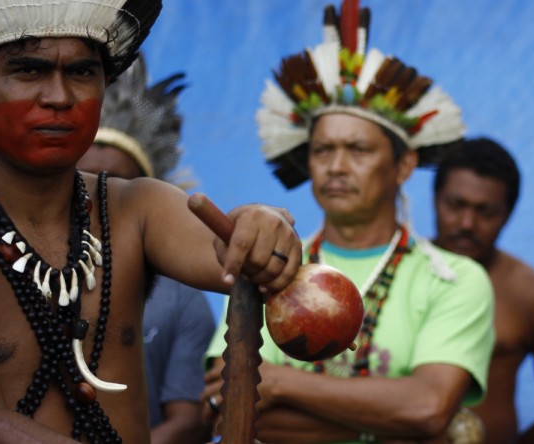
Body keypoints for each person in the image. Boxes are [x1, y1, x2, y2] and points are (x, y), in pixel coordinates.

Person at [0, 1, 301, 442]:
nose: (59, 97)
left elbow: (230, 251)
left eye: (82, 73)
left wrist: (266, 226)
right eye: (29, 71)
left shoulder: (136, 208)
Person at [201, 1, 495, 442]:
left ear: (404, 165)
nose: (336, 166)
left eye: (358, 150)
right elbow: (226, 411)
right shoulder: (264, 262)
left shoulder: (454, 280)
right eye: (322, 150)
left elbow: (427, 409)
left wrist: (279, 383)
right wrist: (385, 421)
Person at [76, 54, 215, 444]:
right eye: (82, 180)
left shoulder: (184, 297)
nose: (96, 196)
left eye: (117, 184)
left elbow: (190, 421)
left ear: (148, 194)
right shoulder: (18, 269)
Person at [432, 138, 534, 444]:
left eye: (487, 211)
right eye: (456, 205)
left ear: (508, 214)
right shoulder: (397, 273)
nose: (468, 223)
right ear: (435, 199)